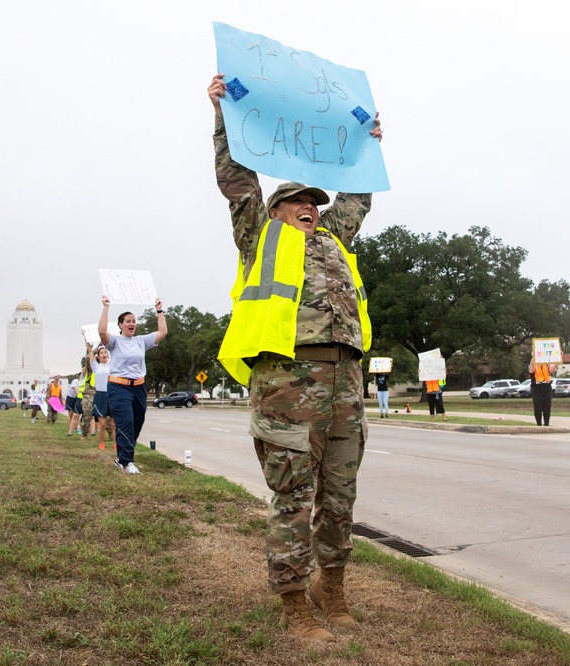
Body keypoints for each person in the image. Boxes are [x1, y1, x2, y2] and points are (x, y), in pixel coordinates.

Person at [210, 72, 382, 642]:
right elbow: (237, 182)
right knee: (294, 496)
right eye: (298, 200)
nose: (309, 205)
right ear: (278, 209)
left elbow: (358, 194)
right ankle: (292, 601)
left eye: (314, 200)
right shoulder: (259, 235)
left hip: (346, 381)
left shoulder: (335, 241)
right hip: (288, 383)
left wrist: (370, 143)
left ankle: (331, 587)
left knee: (340, 494)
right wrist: (221, 114)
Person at [98, 294, 167, 474]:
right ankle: (125, 462)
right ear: (120, 324)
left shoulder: (141, 341)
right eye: (128, 321)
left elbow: (162, 333)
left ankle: (124, 455)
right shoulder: (115, 341)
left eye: (134, 321)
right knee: (125, 422)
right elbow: (102, 332)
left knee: (137, 421)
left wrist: (159, 310)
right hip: (118, 387)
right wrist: (106, 307)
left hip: (138, 387)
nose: (132, 324)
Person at [85, 338, 115, 451]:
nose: (103, 354)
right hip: (100, 396)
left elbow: (115, 350)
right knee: (102, 423)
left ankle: (115, 444)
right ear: (98, 356)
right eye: (101, 353)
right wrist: (85, 337)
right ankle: (101, 444)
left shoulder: (112, 364)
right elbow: (89, 352)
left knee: (113, 424)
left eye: (105, 352)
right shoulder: (96, 366)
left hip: (111, 395)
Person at [529, 362, 556, 426]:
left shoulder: (546, 365)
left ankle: (546, 423)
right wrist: (534, 357)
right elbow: (531, 368)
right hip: (536, 388)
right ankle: (539, 423)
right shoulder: (533, 365)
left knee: (547, 407)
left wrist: (557, 359)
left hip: (547, 387)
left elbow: (552, 369)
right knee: (537, 407)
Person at [66, 372, 82, 437]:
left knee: (76, 414)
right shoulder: (75, 381)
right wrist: (79, 396)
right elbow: (75, 389)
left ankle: (76, 427)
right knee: (70, 414)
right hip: (71, 398)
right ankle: (70, 427)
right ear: (78, 376)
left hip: (77, 398)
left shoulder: (83, 382)